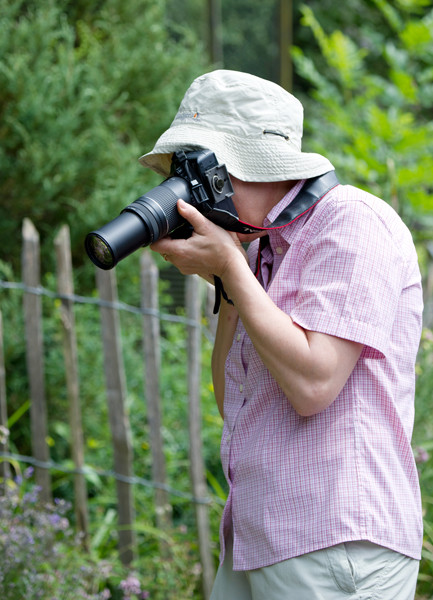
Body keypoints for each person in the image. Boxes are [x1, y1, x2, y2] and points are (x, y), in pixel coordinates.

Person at [139, 70, 423, 599]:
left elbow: (314, 386)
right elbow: (233, 403)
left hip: (336, 540)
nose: (193, 193)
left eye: (199, 172)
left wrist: (233, 269)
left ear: (242, 166)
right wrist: (232, 277)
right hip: (257, 537)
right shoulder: (259, 250)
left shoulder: (352, 222)